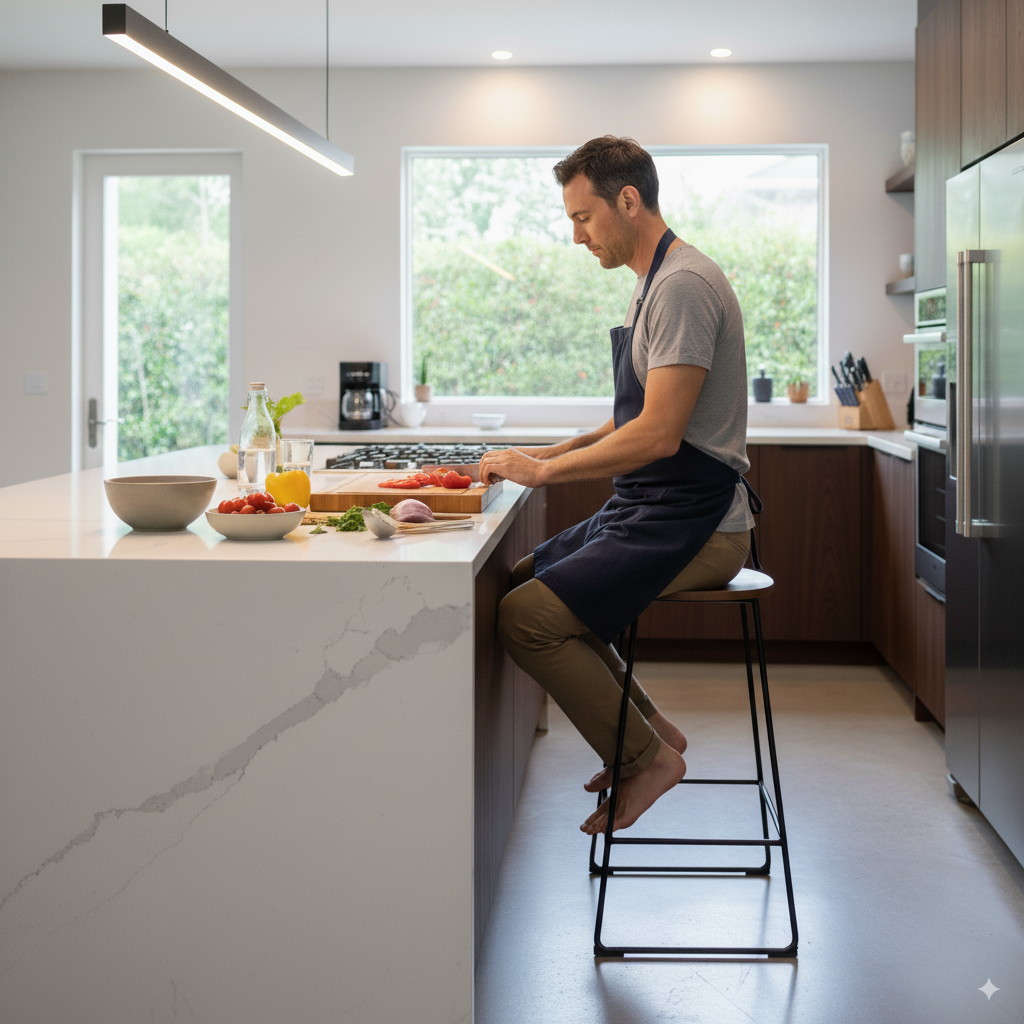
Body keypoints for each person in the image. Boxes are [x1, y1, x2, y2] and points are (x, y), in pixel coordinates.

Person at [480, 136, 756, 837]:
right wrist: (557, 448)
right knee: (522, 581)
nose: (576, 236)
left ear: (627, 200)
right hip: (654, 505)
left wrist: (544, 473)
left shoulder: (684, 285)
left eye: (583, 217)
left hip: (700, 524)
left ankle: (647, 757)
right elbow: (635, 413)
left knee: (526, 619)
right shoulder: (652, 281)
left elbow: (660, 435)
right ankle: (651, 727)